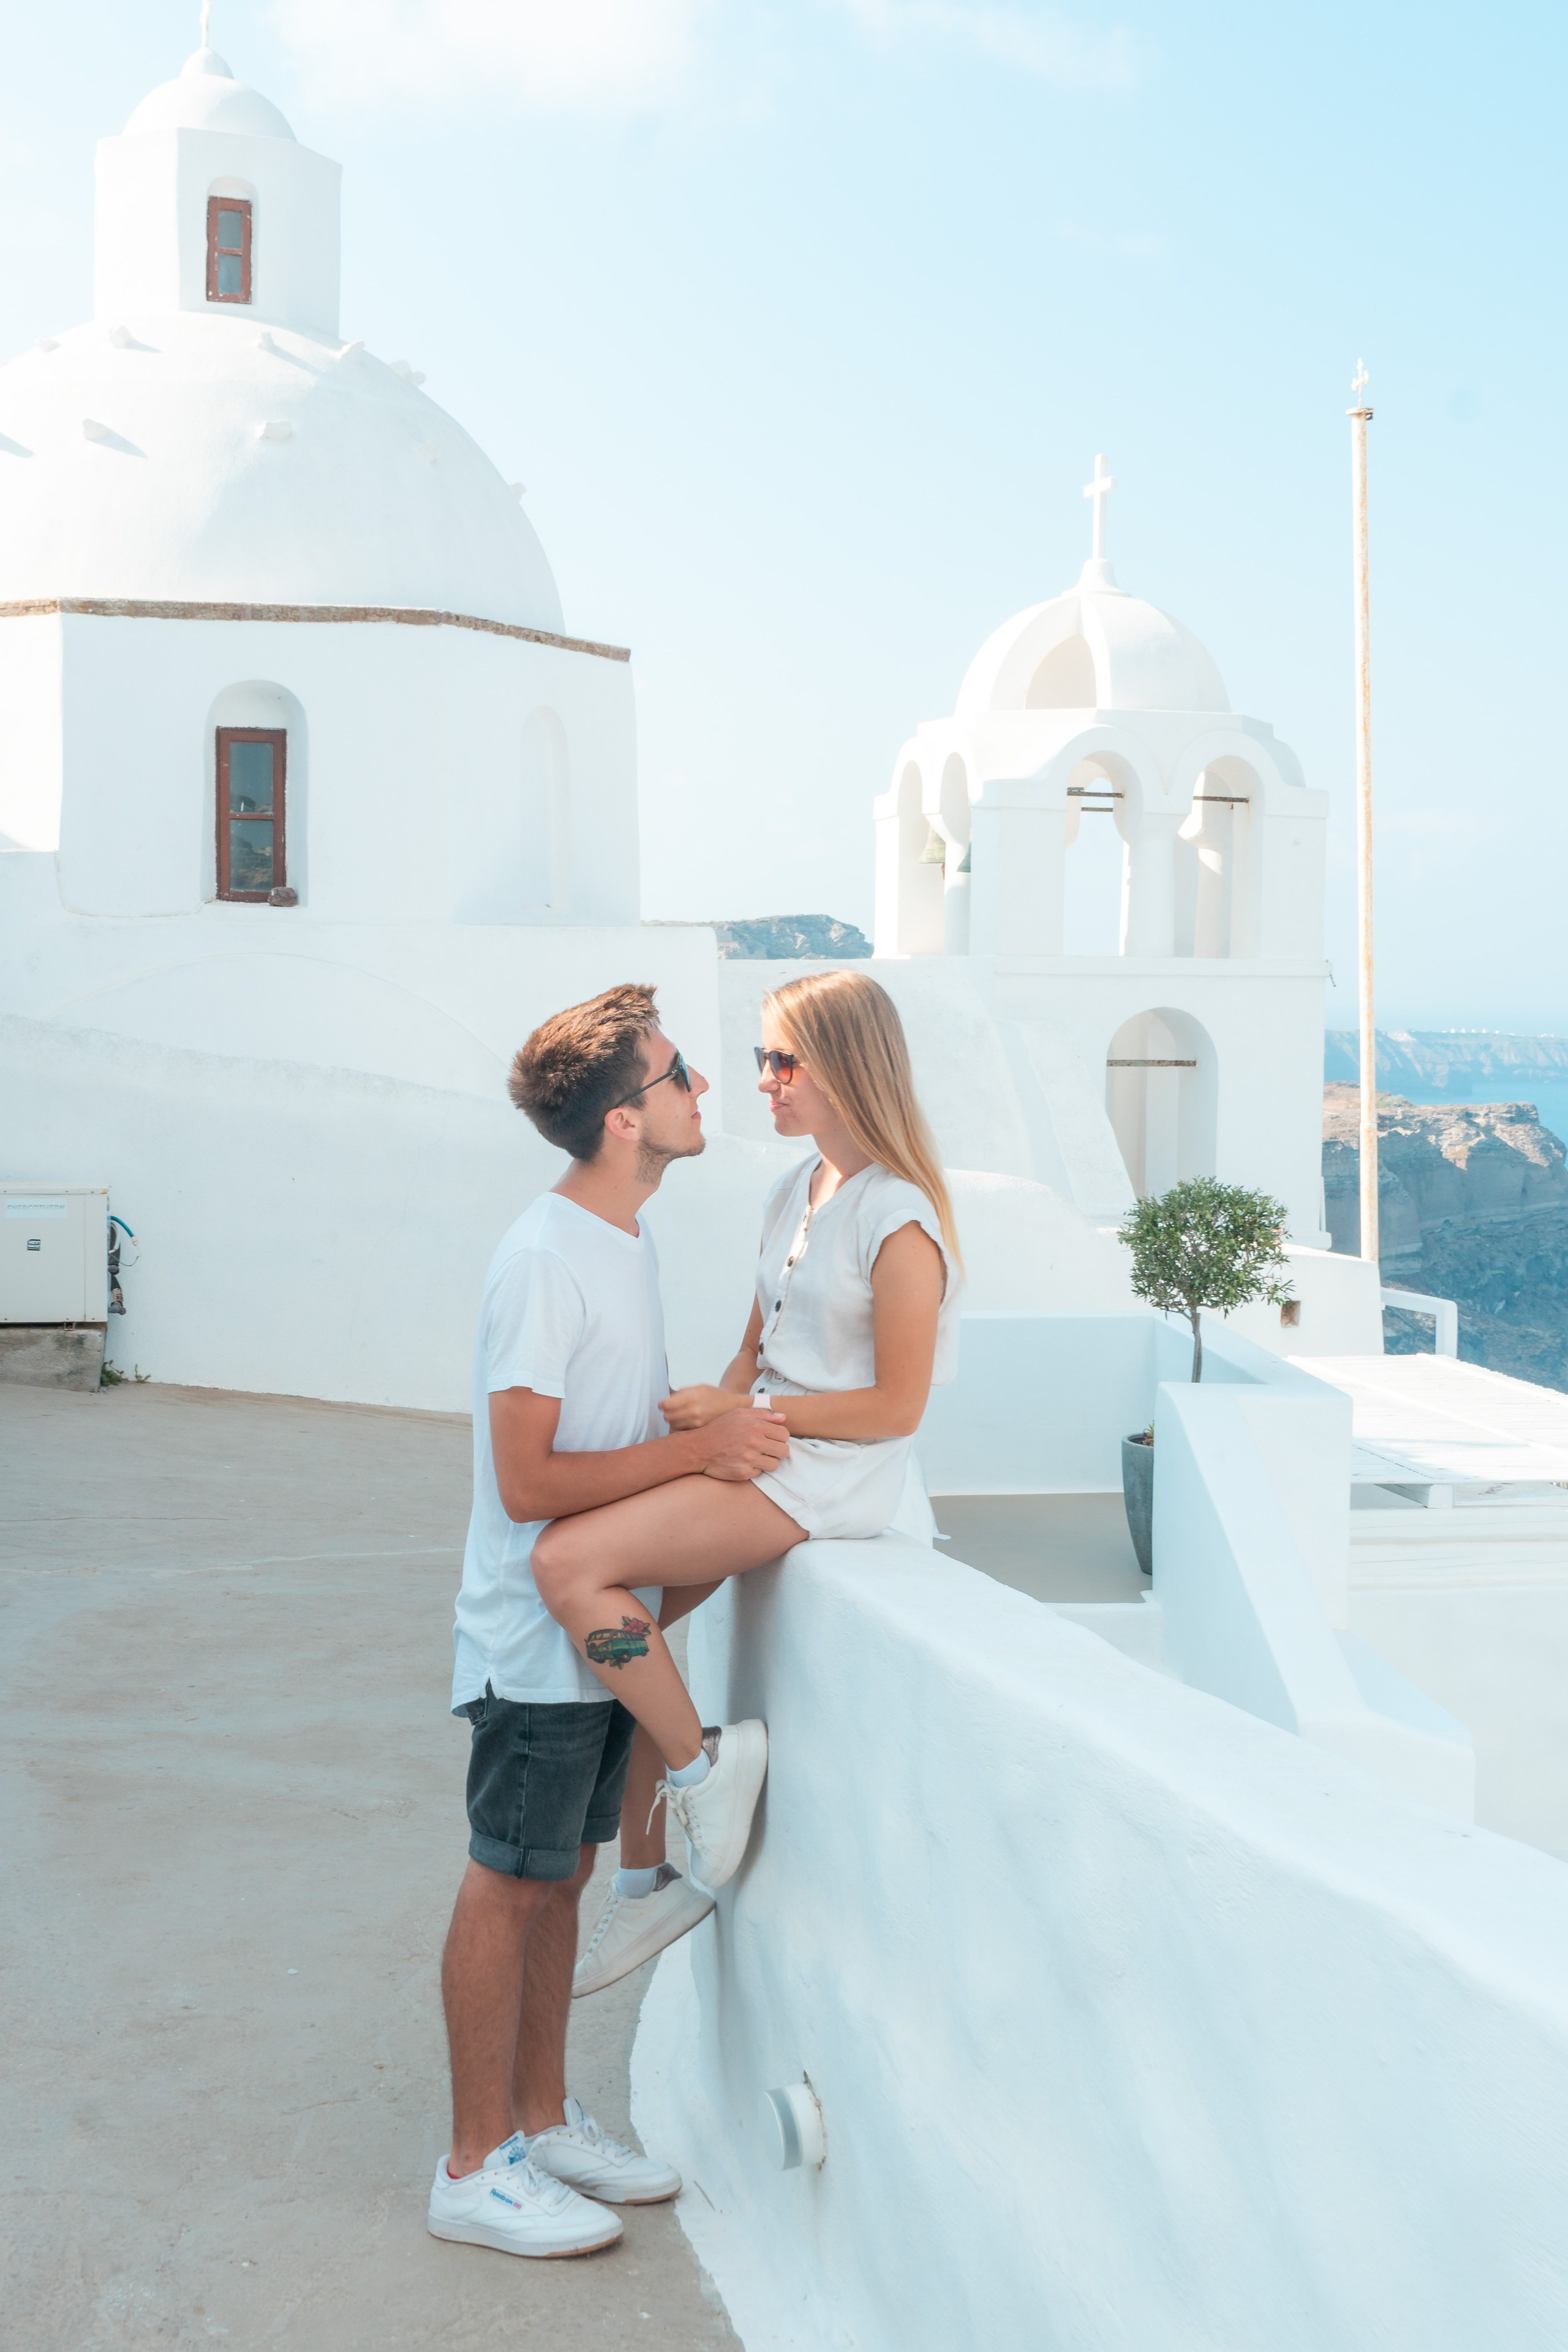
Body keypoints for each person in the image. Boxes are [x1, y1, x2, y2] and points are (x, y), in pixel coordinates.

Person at [428, 983, 789, 2263]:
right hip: (531, 1643)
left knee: (561, 1882)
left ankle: (540, 2119)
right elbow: (528, 1481)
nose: (705, 1088)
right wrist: (700, 1461)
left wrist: (700, 1428)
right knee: (508, 1884)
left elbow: (605, 1440)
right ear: (627, 1119)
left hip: (594, 1630)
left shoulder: (619, 1241)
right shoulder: (543, 1259)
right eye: (681, 1072)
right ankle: (474, 2166)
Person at [549, 967, 963, 1997]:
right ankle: (644, 1890)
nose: (764, 1081)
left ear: (847, 1069)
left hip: (825, 1476)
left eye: (786, 1061)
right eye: (761, 1060)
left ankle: (705, 1770)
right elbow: (755, 1348)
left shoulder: (899, 1220)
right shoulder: (797, 1191)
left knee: (573, 1564)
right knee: (633, 1615)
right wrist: (720, 1413)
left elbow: (895, 1408)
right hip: (769, 1450)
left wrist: (746, 1420)